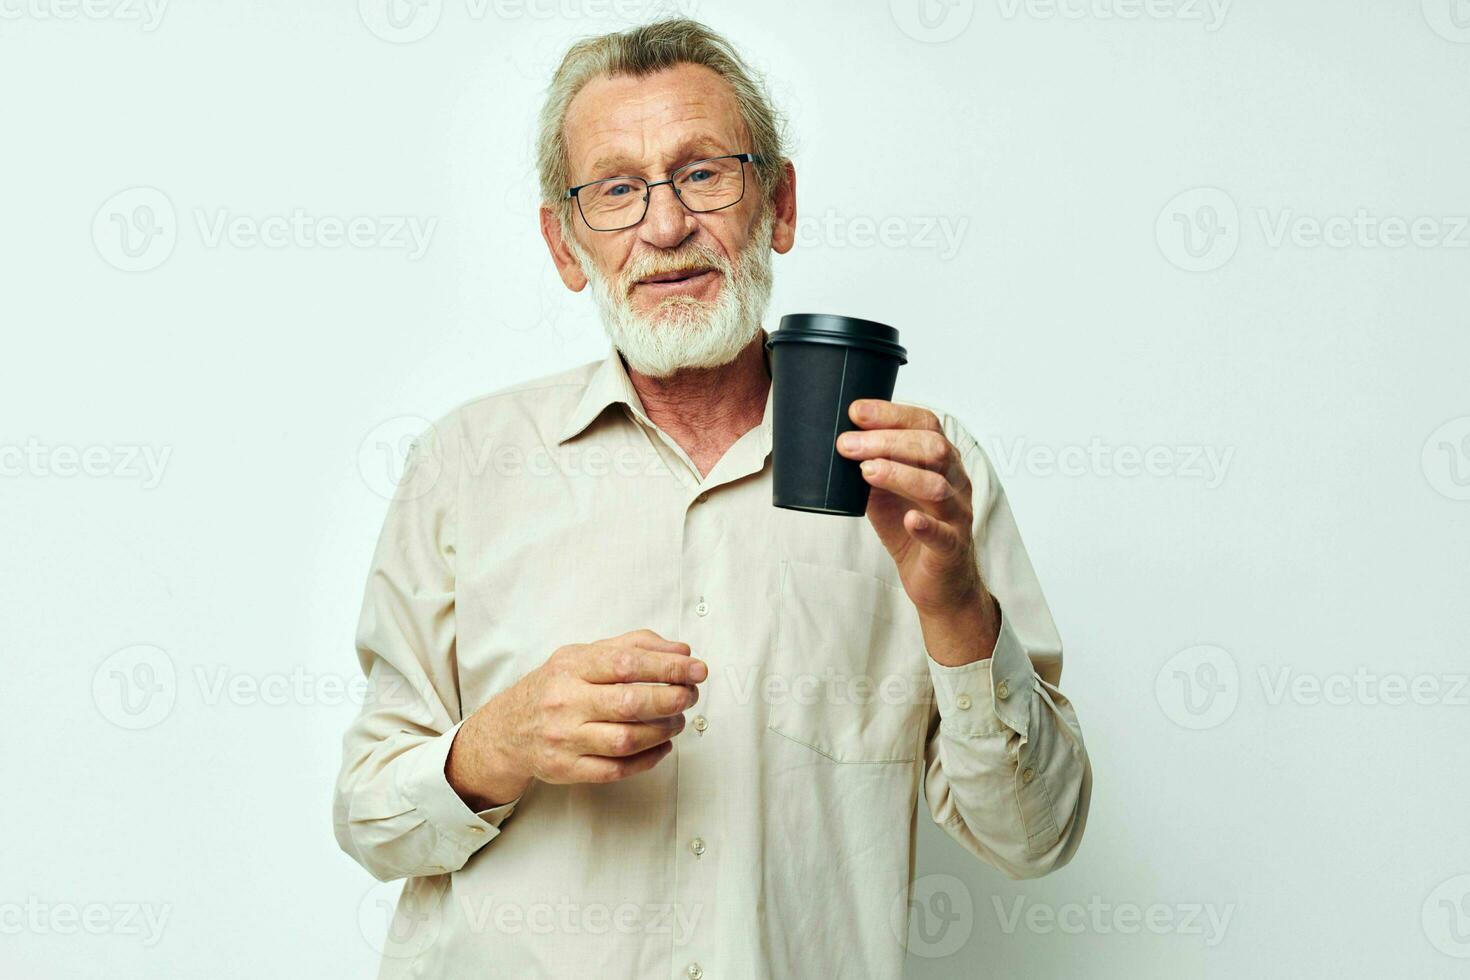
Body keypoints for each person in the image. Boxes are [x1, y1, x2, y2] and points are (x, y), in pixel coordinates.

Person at [333, 17, 1092, 979]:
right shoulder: (466, 464)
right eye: (615, 190)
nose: (663, 227)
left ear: (776, 203)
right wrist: (501, 740)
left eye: (703, 174)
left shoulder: (923, 479)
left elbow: (1037, 836)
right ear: (567, 247)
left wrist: (957, 610)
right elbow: (369, 818)